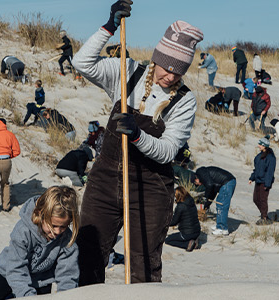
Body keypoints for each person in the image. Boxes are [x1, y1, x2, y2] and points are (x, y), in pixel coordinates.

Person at [69, 1, 204, 284]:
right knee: (87, 258)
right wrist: (108, 27)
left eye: (178, 71)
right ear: (156, 57)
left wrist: (139, 137)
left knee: (143, 267)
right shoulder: (126, 71)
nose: (170, 76)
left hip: (151, 189)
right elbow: (81, 63)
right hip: (105, 181)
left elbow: (167, 151)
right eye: (166, 67)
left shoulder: (185, 100)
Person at [0, 187, 81, 299]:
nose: (57, 231)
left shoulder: (66, 238)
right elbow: (16, 269)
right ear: (40, 215)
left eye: (63, 226)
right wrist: (28, 297)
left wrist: (66, 296)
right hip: (9, 274)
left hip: (41, 281)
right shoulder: (23, 231)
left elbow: (67, 275)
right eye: (53, 226)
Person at [190, 166, 235, 236]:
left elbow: (210, 186)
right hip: (227, 182)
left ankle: (222, 229)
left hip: (227, 182)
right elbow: (212, 193)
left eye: (196, 184)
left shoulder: (201, 173)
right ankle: (219, 225)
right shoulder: (207, 178)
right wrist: (206, 206)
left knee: (221, 205)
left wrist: (205, 197)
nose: (199, 185)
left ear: (196, 179)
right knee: (219, 204)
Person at [249, 141, 277, 222]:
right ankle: (264, 214)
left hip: (265, 182)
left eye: (260, 144)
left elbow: (270, 172)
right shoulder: (258, 156)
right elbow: (256, 169)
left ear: (265, 146)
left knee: (263, 199)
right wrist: (251, 178)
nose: (258, 146)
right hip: (258, 180)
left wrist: (267, 184)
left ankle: (264, 217)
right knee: (255, 199)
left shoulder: (271, 157)